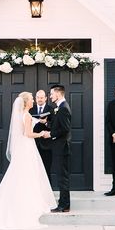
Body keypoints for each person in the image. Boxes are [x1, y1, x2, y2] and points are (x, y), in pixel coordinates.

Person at [0, 92, 56, 229]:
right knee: (29, 174)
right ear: (26, 102)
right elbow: (27, 134)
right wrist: (41, 134)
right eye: (32, 99)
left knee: (22, 175)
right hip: (27, 146)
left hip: (24, 147)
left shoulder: (24, 115)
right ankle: (28, 203)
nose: (33, 101)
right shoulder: (26, 115)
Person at [41, 84, 72, 212]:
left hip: (62, 147)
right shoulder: (59, 107)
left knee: (62, 177)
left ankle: (64, 205)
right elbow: (58, 124)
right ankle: (63, 203)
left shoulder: (63, 108)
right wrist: (47, 123)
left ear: (58, 94)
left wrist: (50, 134)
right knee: (61, 176)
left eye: (51, 94)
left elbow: (65, 129)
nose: (50, 96)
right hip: (58, 147)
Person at [29, 89, 53, 180]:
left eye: (42, 97)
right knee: (33, 169)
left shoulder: (51, 109)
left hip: (46, 144)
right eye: (38, 97)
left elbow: (54, 125)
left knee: (46, 169)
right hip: (32, 143)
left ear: (46, 98)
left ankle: (47, 192)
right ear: (35, 98)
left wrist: (46, 122)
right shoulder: (31, 109)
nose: (39, 99)